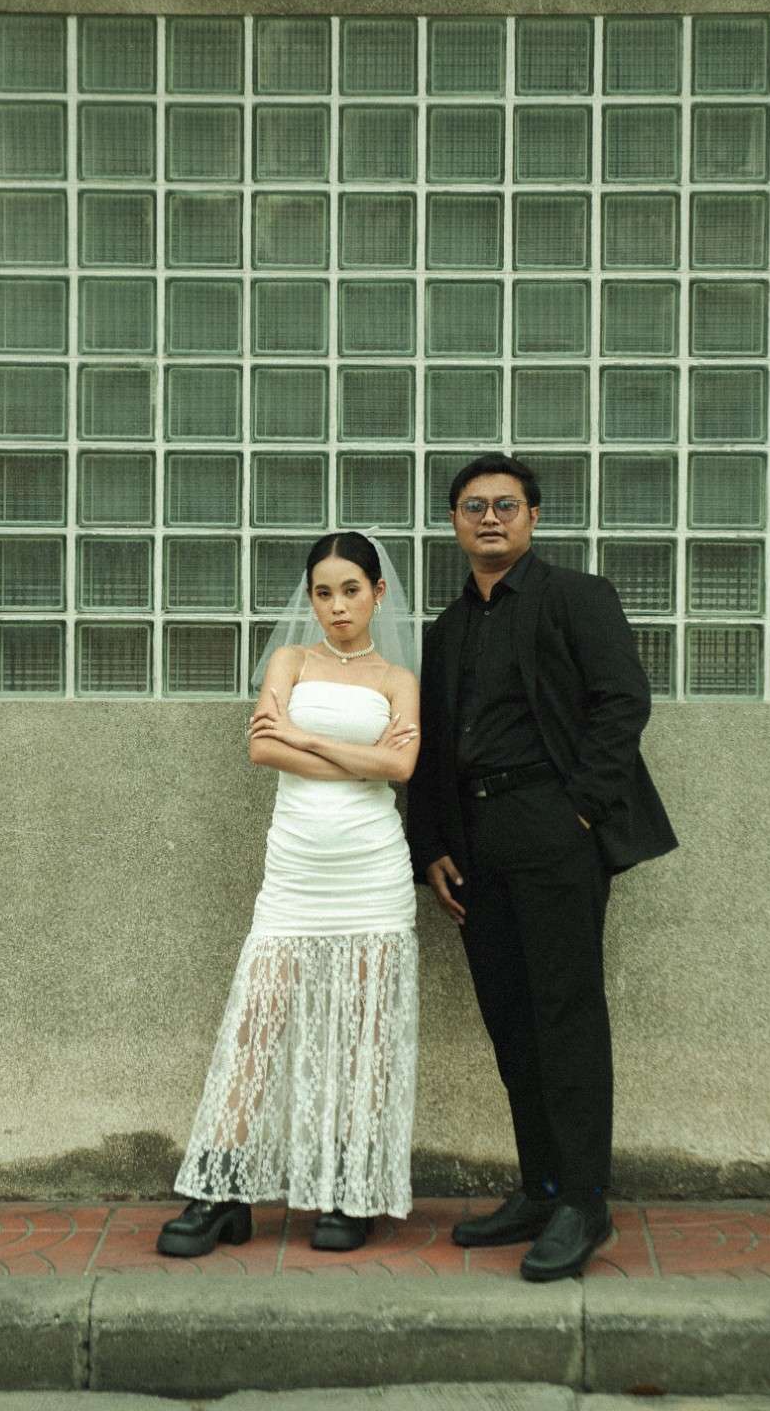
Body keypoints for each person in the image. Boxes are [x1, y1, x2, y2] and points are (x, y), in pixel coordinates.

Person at [406, 454, 678, 1283]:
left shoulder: (576, 597)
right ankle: (541, 1188)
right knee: (510, 1018)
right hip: (474, 838)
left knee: (565, 1014)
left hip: (552, 827)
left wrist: (580, 812)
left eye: (505, 505)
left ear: (531, 517)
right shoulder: (446, 630)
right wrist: (430, 845)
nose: (489, 518)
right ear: (453, 522)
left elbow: (622, 701)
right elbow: (432, 745)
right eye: (472, 506)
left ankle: (583, 1204)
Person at [157, 531, 421, 1258]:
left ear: (378, 593)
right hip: (296, 872)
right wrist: (362, 757)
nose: (337, 606)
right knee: (255, 1025)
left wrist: (311, 740)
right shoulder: (291, 662)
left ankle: (349, 1192)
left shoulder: (398, 679)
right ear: (310, 599)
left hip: (371, 873)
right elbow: (262, 747)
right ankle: (221, 1191)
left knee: (365, 1034)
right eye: (323, 592)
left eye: (351, 590)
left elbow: (403, 767)